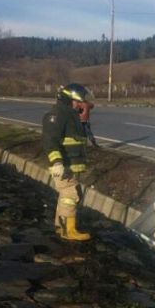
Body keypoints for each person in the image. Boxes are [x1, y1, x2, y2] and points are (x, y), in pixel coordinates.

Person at [42, 83, 93, 241]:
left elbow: (78, 139)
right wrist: (56, 162)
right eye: (81, 100)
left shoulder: (71, 115)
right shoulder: (58, 115)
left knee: (69, 194)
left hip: (71, 165)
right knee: (70, 195)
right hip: (63, 165)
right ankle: (68, 231)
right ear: (72, 99)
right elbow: (50, 141)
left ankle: (60, 226)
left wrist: (84, 121)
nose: (83, 103)